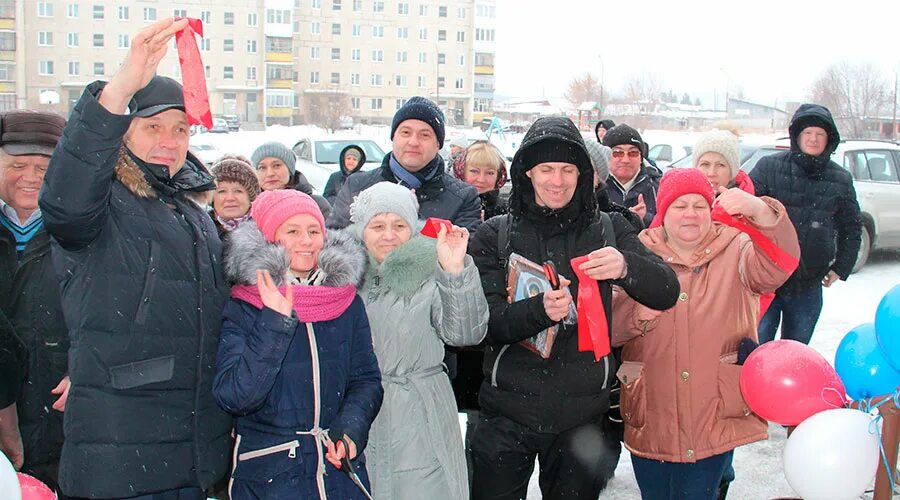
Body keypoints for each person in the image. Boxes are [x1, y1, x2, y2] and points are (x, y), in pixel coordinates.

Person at [37, 18, 233, 498]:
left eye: (180, 128)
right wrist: (122, 85)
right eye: (153, 127)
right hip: (122, 449)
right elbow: (66, 193)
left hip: (191, 450)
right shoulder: (105, 201)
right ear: (123, 132)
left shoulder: (192, 213)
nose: (170, 140)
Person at [468, 116, 680, 500]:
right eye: (546, 169)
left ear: (583, 175)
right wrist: (537, 311)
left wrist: (626, 267)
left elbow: (666, 290)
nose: (557, 180)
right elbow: (483, 324)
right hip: (506, 411)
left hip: (582, 417)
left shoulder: (610, 227)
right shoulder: (494, 234)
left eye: (568, 169)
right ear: (527, 172)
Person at [612, 168, 799, 500]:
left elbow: (781, 262)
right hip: (651, 410)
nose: (690, 214)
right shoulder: (636, 253)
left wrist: (760, 211)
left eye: (699, 205)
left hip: (713, 412)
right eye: (679, 205)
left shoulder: (738, 247)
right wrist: (637, 316)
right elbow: (610, 328)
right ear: (663, 211)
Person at [214, 189, 383, 499]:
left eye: (313, 230)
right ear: (268, 239)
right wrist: (274, 323)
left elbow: (366, 380)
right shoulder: (244, 305)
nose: (307, 240)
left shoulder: (345, 301)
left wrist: (350, 430)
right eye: (292, 231)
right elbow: (235, 396)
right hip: (271, 477)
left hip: (337, 474)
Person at [347, 181, 488, 500]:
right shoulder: (343, 278)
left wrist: (455, 273)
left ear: (412, 228)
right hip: (359, 414)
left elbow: (465, 334)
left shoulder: (431, 271)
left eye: (399, 225)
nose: (388, 234)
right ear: (361, 230)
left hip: (421, 414)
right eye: (377, 225)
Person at [751, 104, 861, 345]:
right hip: (766, 280)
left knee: (796, 352)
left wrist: (841, 267)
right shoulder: (769, 168)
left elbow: (851, 227)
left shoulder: (840, 179)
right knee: (757, 350)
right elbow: (744, 210)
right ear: (797, 136)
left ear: (828, 141)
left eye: (819, 134)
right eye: (808, 133)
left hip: (808, 286)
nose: (813, 139)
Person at [0, 109, 69, 492]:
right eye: (18, 164)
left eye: (44, 165)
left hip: (63, 416)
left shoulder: (81, 233)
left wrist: (86, 367)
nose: (31, 177)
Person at [326, 96, 481, 232]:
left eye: (424, 135)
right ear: (394, 137)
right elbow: (334, 243)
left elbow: (463, 256)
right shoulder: (357, 185)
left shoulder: (463, 197)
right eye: (405, 132)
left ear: (438, 145)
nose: (413, 142)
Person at [252, 141, 332, 218]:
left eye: (276, 165)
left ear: (290, 170)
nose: (270, 173)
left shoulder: (316, 204)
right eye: (262, 167)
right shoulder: (248, 208)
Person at [603, 123, 661, 228]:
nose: (625, 160)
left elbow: (670, 227)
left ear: (641, 158)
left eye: (633, 153)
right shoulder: (594, 187)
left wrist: (645, 218)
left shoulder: (657, 187)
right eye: (617, 153)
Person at [451, 140, 509, 220]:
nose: (481, 179)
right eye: (474, 171)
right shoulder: (447, 208)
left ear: (498, 176)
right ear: (462, 172)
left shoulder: (508, 214)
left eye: (489, 173)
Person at [210, 154, 260, 237]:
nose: (230, 198)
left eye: (238, 191)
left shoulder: (267, 231)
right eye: (222, 191)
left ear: (251, 198)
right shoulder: (198, 230)